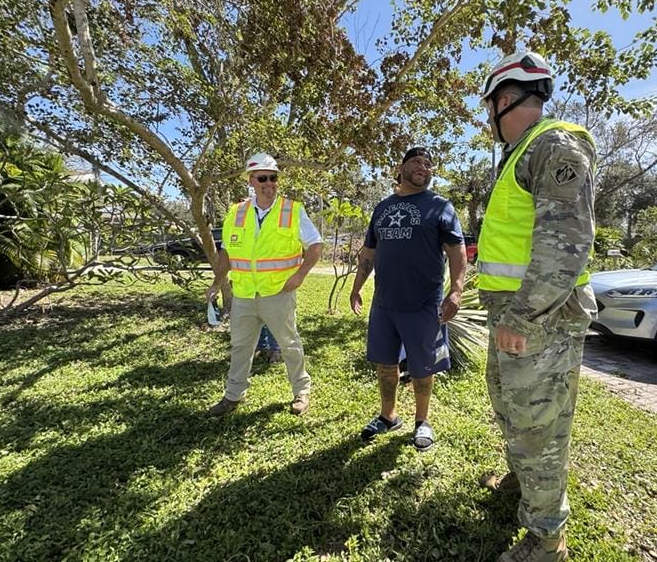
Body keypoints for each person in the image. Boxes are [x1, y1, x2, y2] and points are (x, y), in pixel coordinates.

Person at [477, 52, 598, 561]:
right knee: (511, 409)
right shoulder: (523, 152)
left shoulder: (553, 144)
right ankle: (525, 486)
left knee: (540, 428)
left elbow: (566, 240)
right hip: (516, 315)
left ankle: (548, 541)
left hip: (539, 319)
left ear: (504, 102)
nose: (490, 121)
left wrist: (525, 315)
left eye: (490, 110)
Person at [350, 146, 466, 451]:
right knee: (385, 364)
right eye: (417, 161)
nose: (424, 167)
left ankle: (422, 421)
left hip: (424, 303)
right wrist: (357, 284)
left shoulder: (441, 206)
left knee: (423, 368)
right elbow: (369, 253)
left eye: (429, 164)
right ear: (399, 169)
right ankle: (388, 417)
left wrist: (456, 289)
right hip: (384, 303)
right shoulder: (383, 207)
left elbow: (457, 251)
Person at [205, 152, 323, 416]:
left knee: (289, 343)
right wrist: (216, 282)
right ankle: (233, 396)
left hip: (278, 292)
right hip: (244, 294)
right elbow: (226, 253)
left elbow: (315, 245)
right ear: (251, 180)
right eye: (263, 178)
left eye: (273, 178)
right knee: (240, 347)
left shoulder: (292, 210)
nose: (269, 183)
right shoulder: (236, 213)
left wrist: (300, 275)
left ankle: (301, 392)